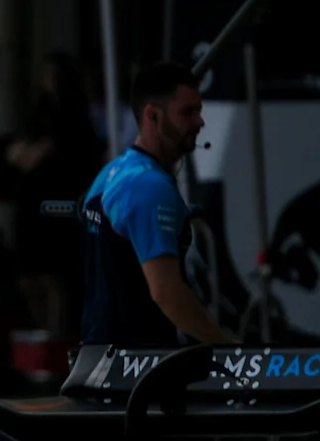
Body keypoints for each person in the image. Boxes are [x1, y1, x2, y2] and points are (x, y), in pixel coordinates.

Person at [81, 59, 234, 349]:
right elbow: (166, 292)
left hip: (99, 356)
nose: (200, 122)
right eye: (187, 112)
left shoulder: (112, 172)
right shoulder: (150, 188)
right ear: (153, 116)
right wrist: (228, 347)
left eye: (199, 111)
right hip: (137, 370)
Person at [6, 51, 101, 340]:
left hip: (60, 203)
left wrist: (38, 152)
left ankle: (58, 338)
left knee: (55, 276)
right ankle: (45, 331)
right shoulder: (37, 115)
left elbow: (67, 153)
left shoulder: (76, 119)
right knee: (28, 278)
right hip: (31, 203)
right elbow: (16, 153)